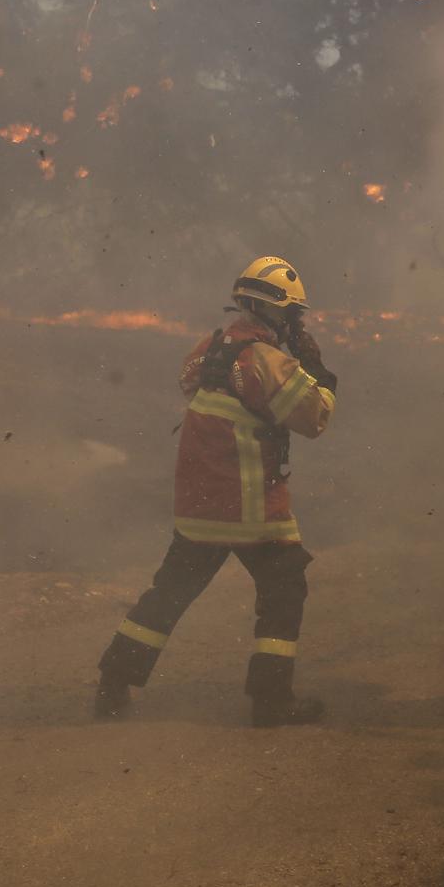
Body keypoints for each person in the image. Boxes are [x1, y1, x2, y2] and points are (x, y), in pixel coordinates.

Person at [94, 255, 338, 725]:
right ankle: (271, 701)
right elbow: (315, 417)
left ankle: (113, 681)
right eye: (294, 315)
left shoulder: (208, 348)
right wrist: (317, 369)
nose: (296, 323)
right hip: (248, 506)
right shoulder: (269, 360)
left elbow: (197, 391)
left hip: (197, 504)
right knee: (284, 587)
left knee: (171, 591)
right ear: (278, 311)